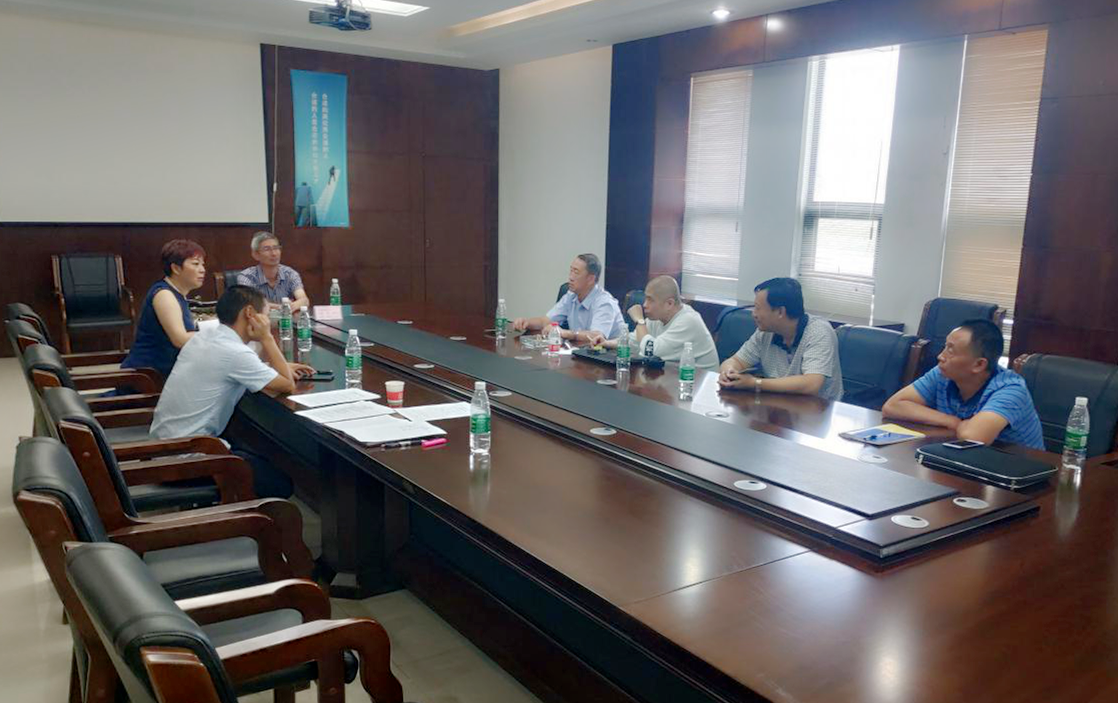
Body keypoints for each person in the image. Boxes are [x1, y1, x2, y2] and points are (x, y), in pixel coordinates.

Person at [149, 285, 314, 498]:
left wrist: (271, 367)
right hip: (186, 461)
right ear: (250, 314)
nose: (268, 320)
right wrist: (267, 338)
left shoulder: (203, 338)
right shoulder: (235, 353)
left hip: (163, 450)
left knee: (256, 454)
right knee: (280, 484)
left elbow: (231, 365)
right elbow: (287, 385)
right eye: (265, 315)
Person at [882, 319, 1044, 448]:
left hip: (1016, 471)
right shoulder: (943, 373)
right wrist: (952, 421)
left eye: (951, 350)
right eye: (945, 347)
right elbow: (893, 406)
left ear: (979, 364)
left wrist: (963, 427)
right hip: (965, 460)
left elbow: (974, 437)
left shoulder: (1011, 389)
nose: (940, 356)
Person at [717, 277, 843, 401]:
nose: (753, 314)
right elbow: (737, 361)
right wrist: (728, 373)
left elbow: (811, 384)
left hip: (818, 409)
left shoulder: (819, 332)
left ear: (780, 312)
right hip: (777, 404)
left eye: (758, 308)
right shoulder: (765, 332)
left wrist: (755, 383)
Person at [588, 275, 719, 370]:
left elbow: (650, 352)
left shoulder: (688, 321)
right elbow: (635, 341)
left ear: (669, 304)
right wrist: (607, 343)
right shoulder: (657, 317)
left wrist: (640, 321)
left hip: (697, 386)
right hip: (671, 378)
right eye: (645, 299)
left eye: (650, 300)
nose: (645, 305)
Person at [121, 239, 204, 379]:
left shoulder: (177, 293)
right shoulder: (164, 294)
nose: (202, 270)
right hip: (148, 378)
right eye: (195, 264)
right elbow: (180, 339)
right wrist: (219, 333)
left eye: (202, 264)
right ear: (176, 268)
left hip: (168, 373)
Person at [511, 253, 626, 343]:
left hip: (609, 359)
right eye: (571, 270)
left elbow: (597, 336)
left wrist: (566, 333)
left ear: (590, 279)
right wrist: (526, 322)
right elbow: (545, 321)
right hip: (581, 352)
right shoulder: (571, 295)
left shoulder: (604, 302)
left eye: (576, 272)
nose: (570, 277)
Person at [236, 232, 310, 311]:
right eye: (267, 249)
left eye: (276, 248)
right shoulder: (246, 277)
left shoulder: (290, 274)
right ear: (255, 254)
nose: (274, 253)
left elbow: (304, 300)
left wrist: (292, 306)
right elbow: (252, 304)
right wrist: (283, 307)